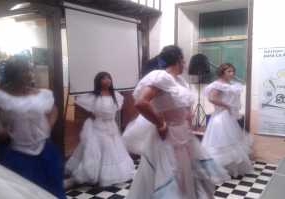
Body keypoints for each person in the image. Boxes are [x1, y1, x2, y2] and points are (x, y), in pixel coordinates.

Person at [126, 45, 230, 199]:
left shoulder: (180, 81)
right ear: (179, 60)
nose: (185, 63)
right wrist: (162, 125)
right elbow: (141, 103)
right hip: (167, 135)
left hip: (182, 135)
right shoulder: (160, 76)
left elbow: (183, 105)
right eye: (184, 59)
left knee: (185, 175)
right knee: (172, 175)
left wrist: (188, 114)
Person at [0, 56, 66, 199]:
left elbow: (54, 109)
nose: (30, 74)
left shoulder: (42, 94)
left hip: (44, 151)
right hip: (17, 154)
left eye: (31, 70)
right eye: (24, 70)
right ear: (12, 72)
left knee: (48, 191)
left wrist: (48, 126)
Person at [65, 72, 134, 188]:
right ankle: (94, 173)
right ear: (98, 82)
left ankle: (109, 175)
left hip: (111, 126)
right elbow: (77, 104)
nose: (107, 80)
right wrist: (90, 114)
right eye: (103, 79)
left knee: (111, 150)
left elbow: (116, 109)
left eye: (108, 78)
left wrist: (110, 115)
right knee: (99, 149)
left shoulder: (115, 95)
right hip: (98, 126)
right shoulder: (94, 96)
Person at [201, 63, 254, 177]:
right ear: (222, 72)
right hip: (220, 117)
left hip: (229, 116)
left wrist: (231, 108)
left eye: (233, 71)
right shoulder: (218, 85)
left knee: (232, 142)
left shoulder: (231, 85)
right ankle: (218, 170)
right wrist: (227, 106)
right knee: (221, 142)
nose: (232, 74)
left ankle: (231, 169)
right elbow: (212, 98)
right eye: (229, 71)